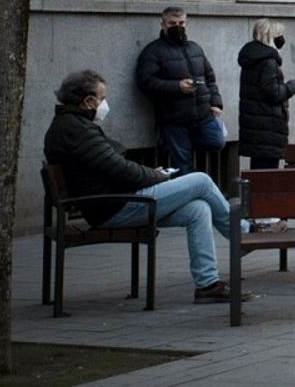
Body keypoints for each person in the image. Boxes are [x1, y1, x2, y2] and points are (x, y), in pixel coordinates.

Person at [45, 70, 251, 303]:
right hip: (114, 206)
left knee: (199, 209)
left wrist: (155, 175)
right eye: (102, 99)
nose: (104, 104)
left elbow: (115, 166)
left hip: (115, 201)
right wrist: (158, 176)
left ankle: (207, 285)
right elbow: (121, 169)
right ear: (88, 101)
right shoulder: (75, 130)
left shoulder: (73, 125)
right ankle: (243, 234)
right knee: (201, 181)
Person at [135, 7, 225, 175]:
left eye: (181, 23)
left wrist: (216, 103)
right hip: (174, 119)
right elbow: (145, 82)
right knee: (184, 166)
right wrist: (177, 87)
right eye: (172, 23)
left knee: (217, 141)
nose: (178, 26)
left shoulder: (195, 48)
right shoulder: (153, 51)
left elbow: (210, 78)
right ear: (163, 25)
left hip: (203, 115)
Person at [237, 18, 295, 172]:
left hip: (256, 124)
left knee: (259, 170)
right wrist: (293, 86)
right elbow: (273, 93)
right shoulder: (268, 61)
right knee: (267, 173)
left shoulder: (253, 57)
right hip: (267, 125)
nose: (282, 39)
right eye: (279, 34)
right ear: (269, 36)